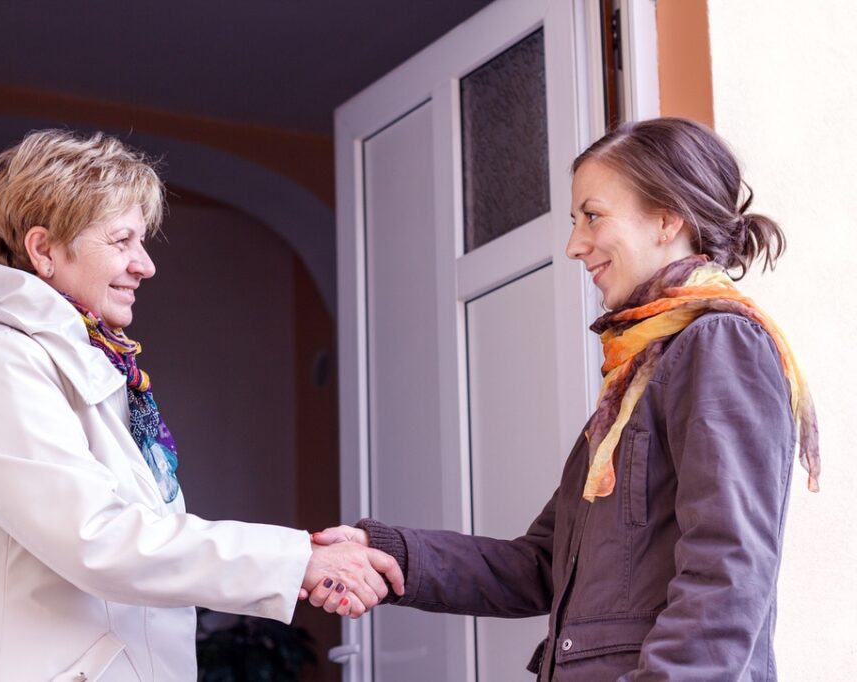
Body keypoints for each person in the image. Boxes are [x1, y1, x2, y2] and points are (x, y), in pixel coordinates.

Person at [308, 117, 820, 680]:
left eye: (592, 216)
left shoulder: (720, 341)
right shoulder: (636, 376)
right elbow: (541, 565)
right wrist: (390, 554)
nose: (575, 245)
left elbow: (729, 570)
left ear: (667, 217)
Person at [0, 129, 402, 682]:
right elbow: (98, 538)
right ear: (44, 250)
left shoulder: (92, 361)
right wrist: (299, 561)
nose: (145, 265)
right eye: (121, 241)